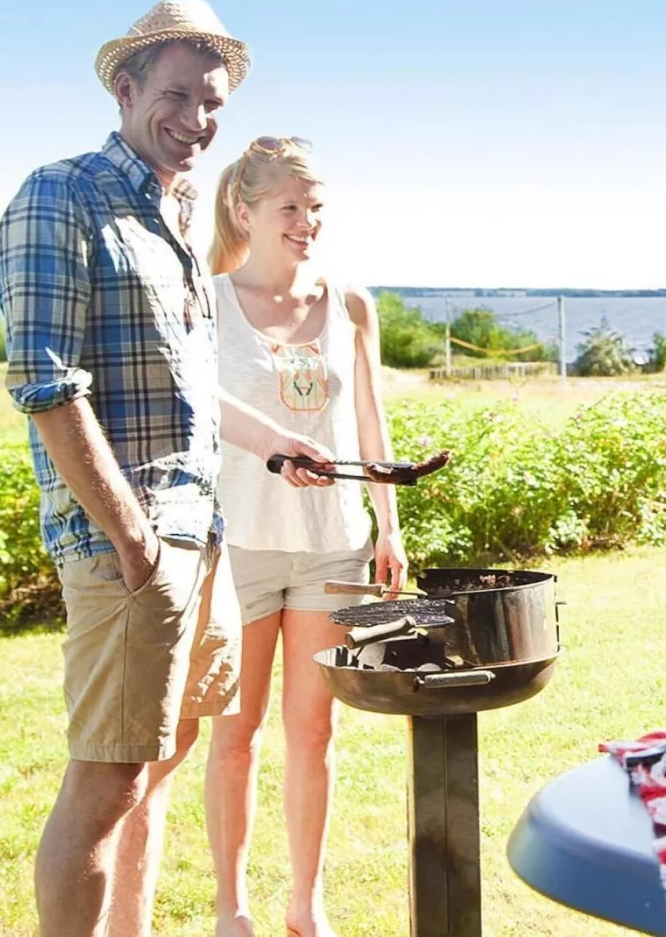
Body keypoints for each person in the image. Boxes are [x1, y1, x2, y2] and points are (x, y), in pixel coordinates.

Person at [0, 0, 333, 937]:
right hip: (132, 545)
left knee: (154, 764)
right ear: (125, 87)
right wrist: (135, 543)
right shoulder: (59, 194)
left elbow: (183, 391)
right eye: (177, 96)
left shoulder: (177, 217)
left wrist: (271, 442)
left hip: (203, 535)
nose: (197, 118)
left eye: (211, 102)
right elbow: (46, 385)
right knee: (104, 783)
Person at [202, 136, 406, 937]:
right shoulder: (206, 300)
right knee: (235, 733)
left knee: (313, 729)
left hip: (332, 544)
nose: (306, 222)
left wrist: (389, 527)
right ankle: (231, 908)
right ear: (243, 210)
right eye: (289, 207)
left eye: (315, 208)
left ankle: (304, 904)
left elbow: (371, 418)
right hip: (239, 546)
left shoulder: (350, 303)